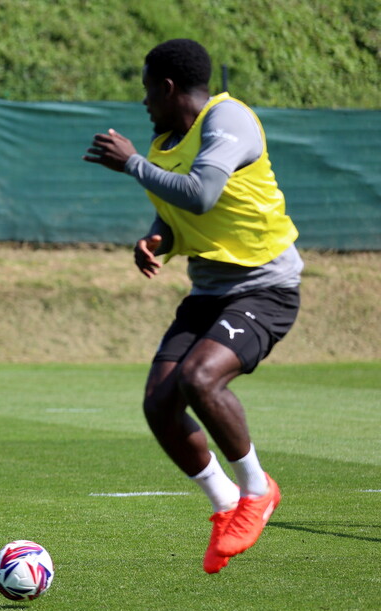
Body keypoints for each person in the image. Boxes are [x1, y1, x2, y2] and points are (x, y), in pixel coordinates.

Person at [83, 39, 302, 573]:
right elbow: (189, 212)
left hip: (265, 287)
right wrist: (158, 237)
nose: (143, 103)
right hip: (209, 291)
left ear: (168, 87)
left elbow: (203, 193)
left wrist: (132, 162)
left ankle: (257, 491)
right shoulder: (166, 142)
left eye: (145, 90)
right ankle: (226, 504)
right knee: (160, 402)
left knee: (200, 379)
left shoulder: (228, 120)